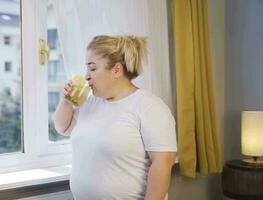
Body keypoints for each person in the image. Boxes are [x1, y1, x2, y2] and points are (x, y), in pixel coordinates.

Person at [54, 35, 177, 200]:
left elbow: (162, 163)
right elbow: (64, 128)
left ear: (116, 70)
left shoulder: (150, 107)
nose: (86, 76)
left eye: (92, 68)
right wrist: (66, 101)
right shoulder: (90, 103)